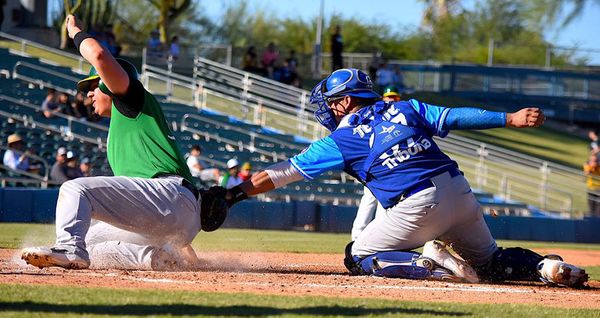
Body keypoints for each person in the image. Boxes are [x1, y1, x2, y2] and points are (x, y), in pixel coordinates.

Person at [216, 68, 587, 288]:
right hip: (459, 190)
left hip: (417, 203)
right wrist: (510, 118)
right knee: (491, 262)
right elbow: (456, 116)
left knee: (358, 255)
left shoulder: (341, 139)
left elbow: (280, 174)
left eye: (330, 102)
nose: (327, 109)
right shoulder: (406, 108)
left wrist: (232, 196)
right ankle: (546, 267)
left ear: (345, 102)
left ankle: (432, 266)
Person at [21, 15, 226, 271]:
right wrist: (189, 252)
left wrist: (74, 31)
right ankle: (156, 257)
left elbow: (99, 57)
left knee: (75, 190)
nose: (90, 93)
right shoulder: (127, 126)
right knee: (91, 240)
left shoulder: (130, 99)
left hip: (168, 194)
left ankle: (70, 249)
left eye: (95, 86)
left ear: (111, 83)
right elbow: (160, 205)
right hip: (172, 216)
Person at [351, 85, 402, 240]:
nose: (391, 100)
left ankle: (377, 238)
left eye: (394, 97)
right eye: (388, 97)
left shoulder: (401, 115)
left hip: (392, 164)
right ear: (383, 98)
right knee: (369, 200)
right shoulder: (377, 115)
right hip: (375, 164)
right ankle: (357, 237)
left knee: (384, 203)